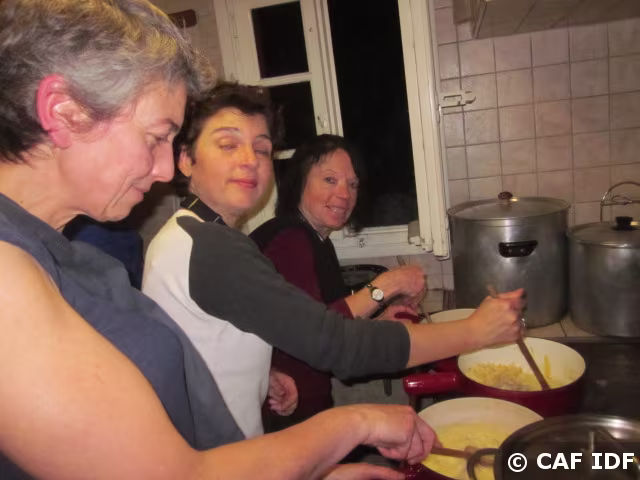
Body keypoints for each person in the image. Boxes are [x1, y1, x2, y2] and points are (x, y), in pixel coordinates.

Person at [0, 1, 437, 479]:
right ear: (64, 112)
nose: (164, 169)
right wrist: (357, 422)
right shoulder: (8, 276)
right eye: (156, 137)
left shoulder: (66, 254)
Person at [142, 82, 525, 441]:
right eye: (228, 144)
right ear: (186, 159)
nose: (249, 160)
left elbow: (206, 344)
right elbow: (336, 343)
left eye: (261, 149)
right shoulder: (214, 247)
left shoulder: (192, 235)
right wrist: (475, 331)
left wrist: (263, 374)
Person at [251, 134, 431, 431]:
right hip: (283, 410)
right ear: (299, 182)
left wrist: (379, 324)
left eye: (353, 184)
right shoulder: (289, 240)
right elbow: (313, 334)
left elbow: (329, 321)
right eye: (330, 180)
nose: (345, 194)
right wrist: (388, 283)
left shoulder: (317, 241)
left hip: (306, 404)